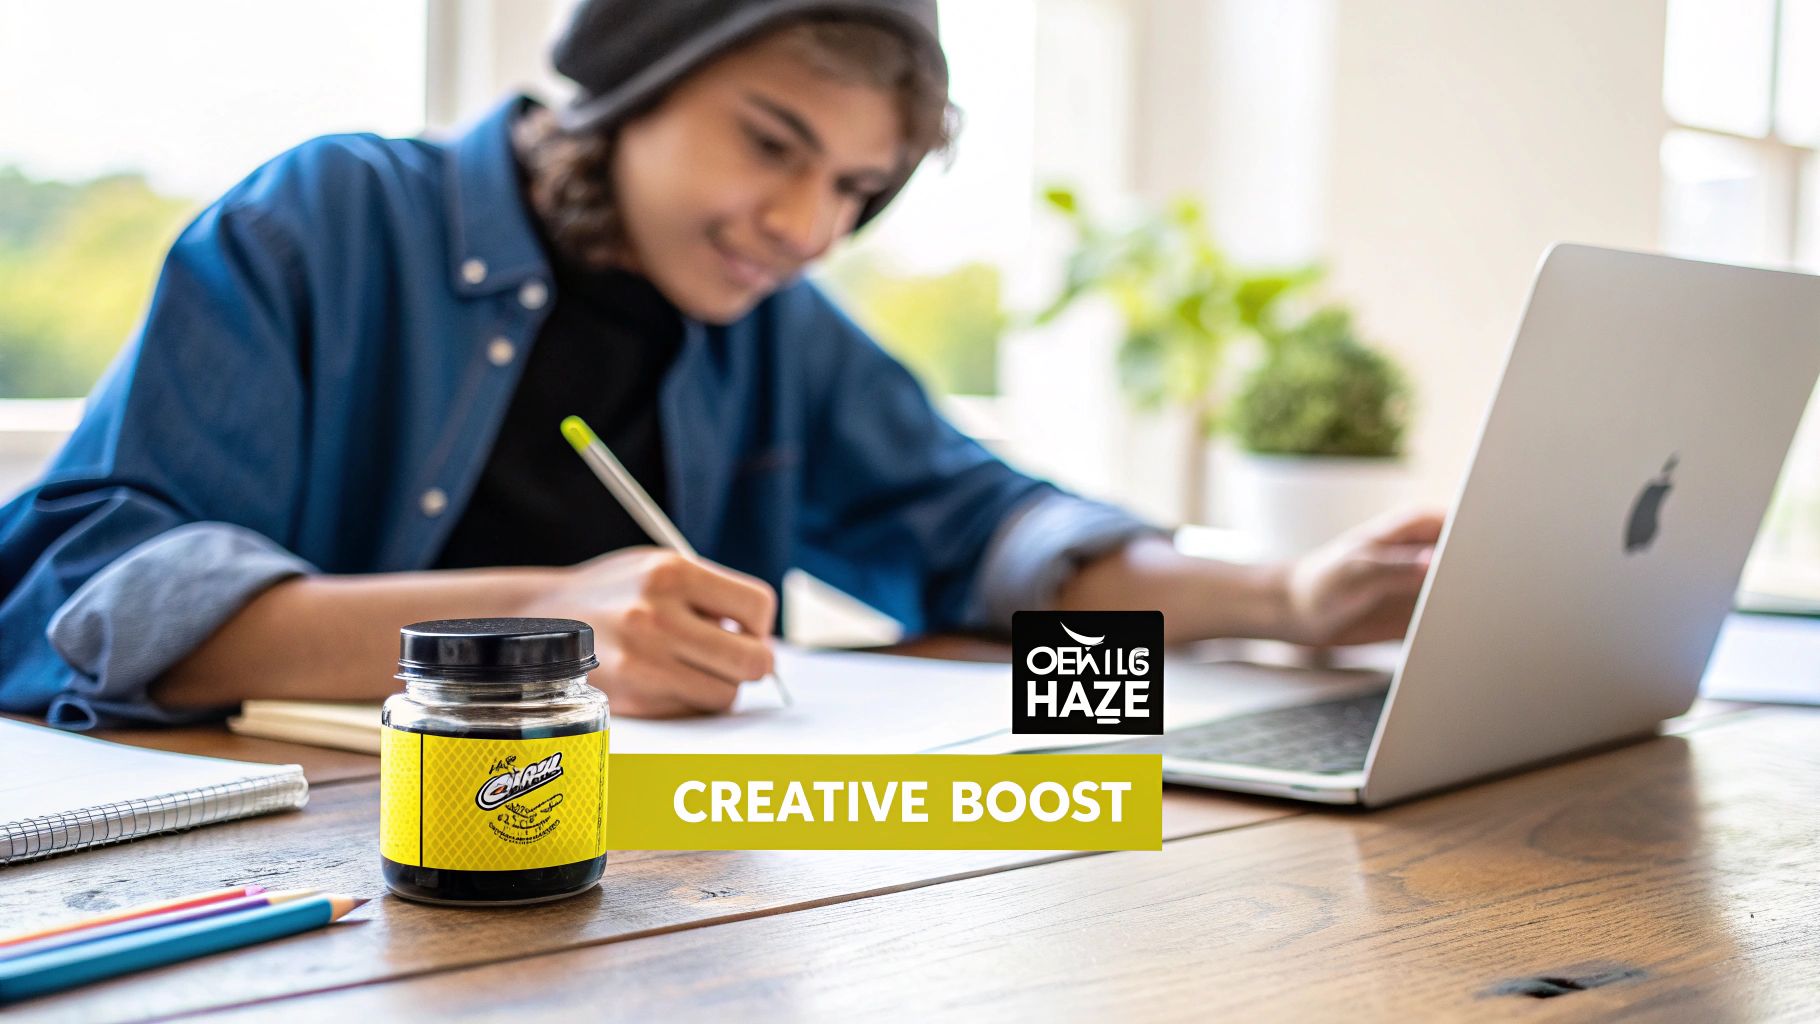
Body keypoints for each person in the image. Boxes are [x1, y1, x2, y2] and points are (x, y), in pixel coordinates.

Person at [0, 0, 1441, 729]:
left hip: (675, 918)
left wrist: (1290, 601)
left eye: (857, 190)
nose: (810, 227)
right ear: (629, 76)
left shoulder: (771, 328)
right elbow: (84, 606)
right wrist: (546, 624)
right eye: (774, 143)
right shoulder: (328, 222)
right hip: (328, 902)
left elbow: (987, 550)